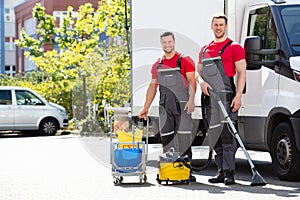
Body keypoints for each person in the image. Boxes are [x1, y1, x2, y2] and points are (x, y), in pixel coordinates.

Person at [139, 32, 197, 181]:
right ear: (161, 44)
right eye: (164, 43)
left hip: (182, 105)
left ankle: (186, 172)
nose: (167, 45)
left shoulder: (185, 60)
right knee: (167, 139)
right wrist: (145, 107)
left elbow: (192, 82)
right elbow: (152, 87)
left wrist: (191, 100)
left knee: (184, 138)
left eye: (169, 42)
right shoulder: (157, 65)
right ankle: (170, 172)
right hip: (165, 106)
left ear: (174, 42)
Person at [196, 13, 246, 185]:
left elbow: (241, 73)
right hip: (209, 99)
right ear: (211, 26)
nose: (218, 28)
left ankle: (230, 172)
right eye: (216, 24)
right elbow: (198, 72)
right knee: (215, 135)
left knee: (228, 135)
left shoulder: (235, 47)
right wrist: (201, 82)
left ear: (226, 27)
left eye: (221, 25)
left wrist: (238, 96)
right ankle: (221, 171)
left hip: (227, 96)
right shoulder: (204, 49)